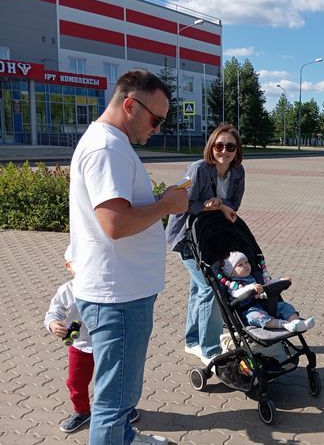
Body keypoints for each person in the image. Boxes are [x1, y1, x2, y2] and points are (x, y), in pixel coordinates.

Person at [69, 69, 188, 445]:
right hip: (117, 297)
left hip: (119, 291)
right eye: (156, 120)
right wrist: (166, 205)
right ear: (130, 105)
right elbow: (115, 224)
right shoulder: (108, 148)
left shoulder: (109, 143)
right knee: (113, 402)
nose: (157, 129)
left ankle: (123, 437)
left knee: (120, 395)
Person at [165, 124, 245, 367]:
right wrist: (214, 206)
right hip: (187, 237)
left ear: (236, 150)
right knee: (210, 287)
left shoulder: (238, 172)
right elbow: (182, 201)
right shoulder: (199, 169)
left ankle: (192, 340)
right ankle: (209, 348)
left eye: (230, 146)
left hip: (211, 237)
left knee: (197, 288)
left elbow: (235, 203)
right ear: (211, 147)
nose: (224, 151)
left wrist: (220, 202)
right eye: (219, 145)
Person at [44, 245, 140, 433]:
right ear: (68, 267)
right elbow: (53, 312)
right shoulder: (66, 290)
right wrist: (53, 324)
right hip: (79, 341)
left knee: (115, 380)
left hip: (109, 342)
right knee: (75, 382)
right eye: (78, 265)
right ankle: (81, 411)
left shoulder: (107, 285)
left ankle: (122, 410)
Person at [221, 251, 316, 332]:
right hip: (249, 311)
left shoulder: (255, 277)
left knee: (284, 306)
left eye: (246, 262)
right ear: (231, 272)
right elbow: (237, 293)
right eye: (240, 265)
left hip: (265, 305)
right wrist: (251, 288)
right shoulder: (233, 285)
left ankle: (297, 323)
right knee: (258, 317)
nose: (246, 265)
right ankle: (285, 324)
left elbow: (268, 283)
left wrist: (282, 280)